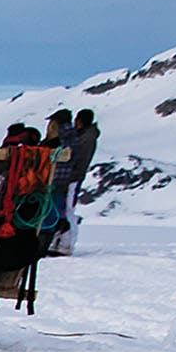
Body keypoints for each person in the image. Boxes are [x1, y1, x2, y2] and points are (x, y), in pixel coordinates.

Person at [57, 109, 101, 255]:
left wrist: (71, 174)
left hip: (73, 178)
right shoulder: (86, 136)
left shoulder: (85, 138)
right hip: (73, 177)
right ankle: (63, 242)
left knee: (68, 210)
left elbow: (79, 159)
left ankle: (66, 244)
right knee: (66, 209)